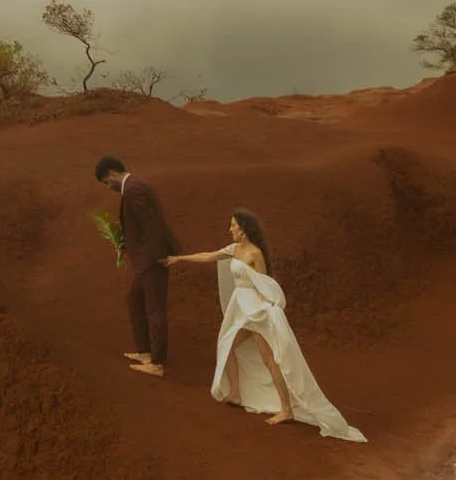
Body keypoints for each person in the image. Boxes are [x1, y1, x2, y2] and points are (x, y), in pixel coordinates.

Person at [164, 211, 366, 442]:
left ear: (244, 229)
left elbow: (264, 283)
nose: (230, 229)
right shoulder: (233, 249)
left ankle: (287, 409)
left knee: (270, 361)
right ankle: (237, 394)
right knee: (228, 345)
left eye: (233, 226)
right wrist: (179, 259)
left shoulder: (254, 253)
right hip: (239, 309)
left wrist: (263, 309)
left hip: (254, 312)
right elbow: (209, 256)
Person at [95, 155, 182, 376]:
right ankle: (144, 351)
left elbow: (152, 224)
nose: (108, 187)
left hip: (152, 259)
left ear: (113, 174)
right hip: (146, 257)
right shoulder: (134, 186)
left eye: (107, 182)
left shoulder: (134, 189)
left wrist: (161, 256)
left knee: (154, 309)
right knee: (134, 299)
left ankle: (157, 362)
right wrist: (124, 243)